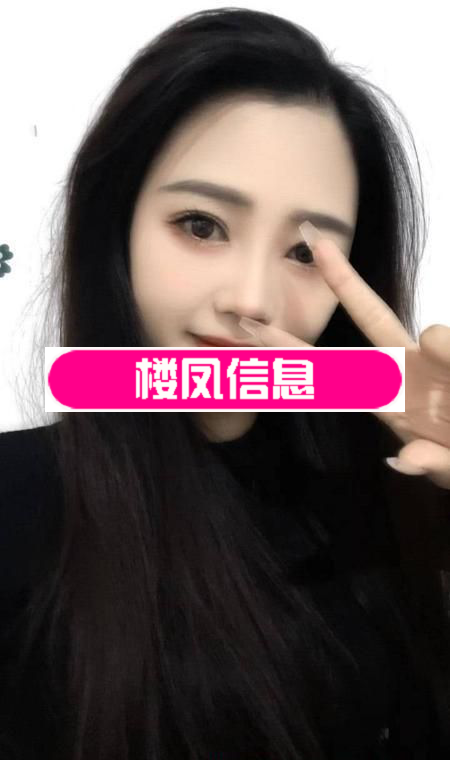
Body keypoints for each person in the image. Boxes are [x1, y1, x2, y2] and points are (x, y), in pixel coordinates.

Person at [1, 7, 450, 759]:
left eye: (306, 254)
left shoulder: (393, 490)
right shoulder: (17, 500)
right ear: (117, 227)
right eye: (202, 225)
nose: (251, 300)